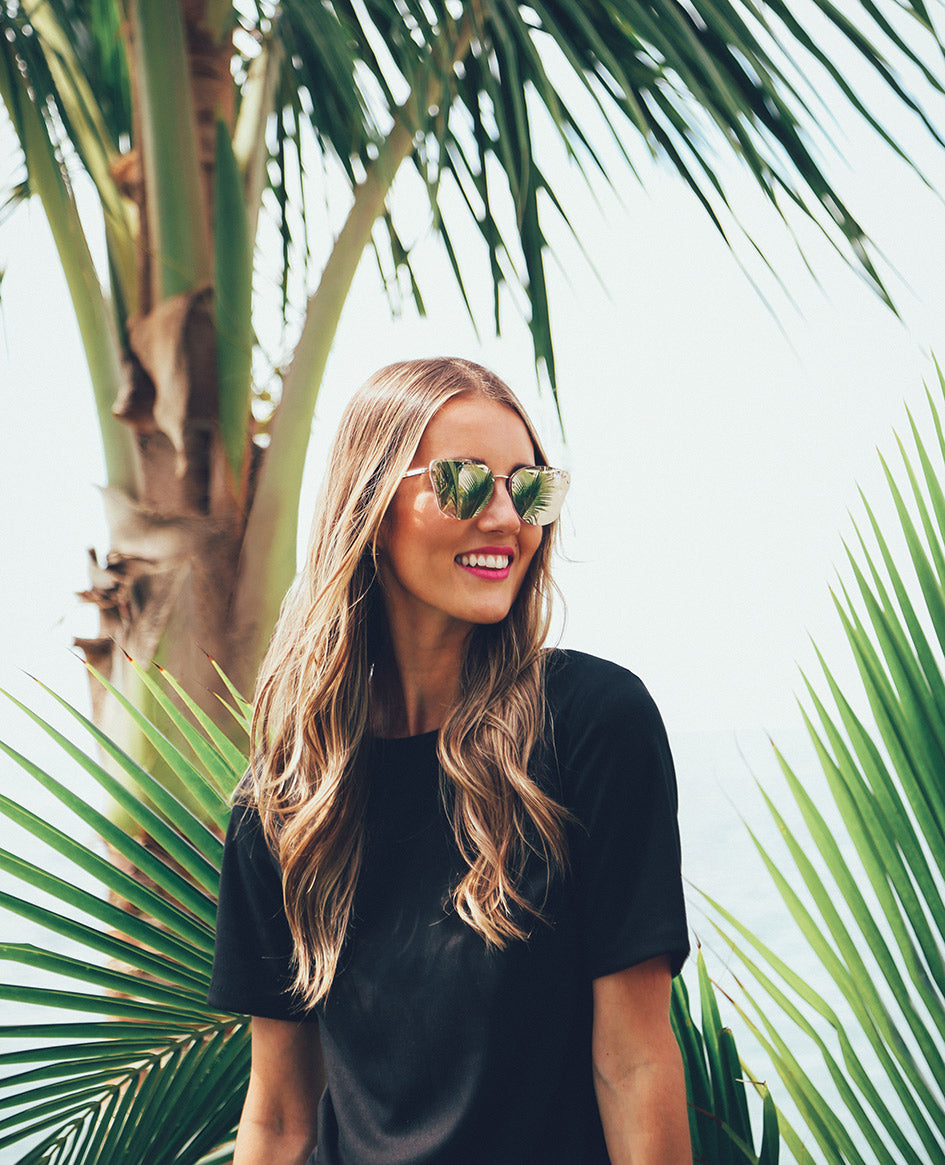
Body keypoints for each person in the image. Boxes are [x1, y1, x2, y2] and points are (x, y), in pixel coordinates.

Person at [208, 357, 691, 1165]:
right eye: (466, 482)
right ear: (369, 504)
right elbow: (281, 1113)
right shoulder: (289, 797)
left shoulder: (592, 726)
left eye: (530, 488)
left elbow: (634, 1062)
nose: (506, 517)